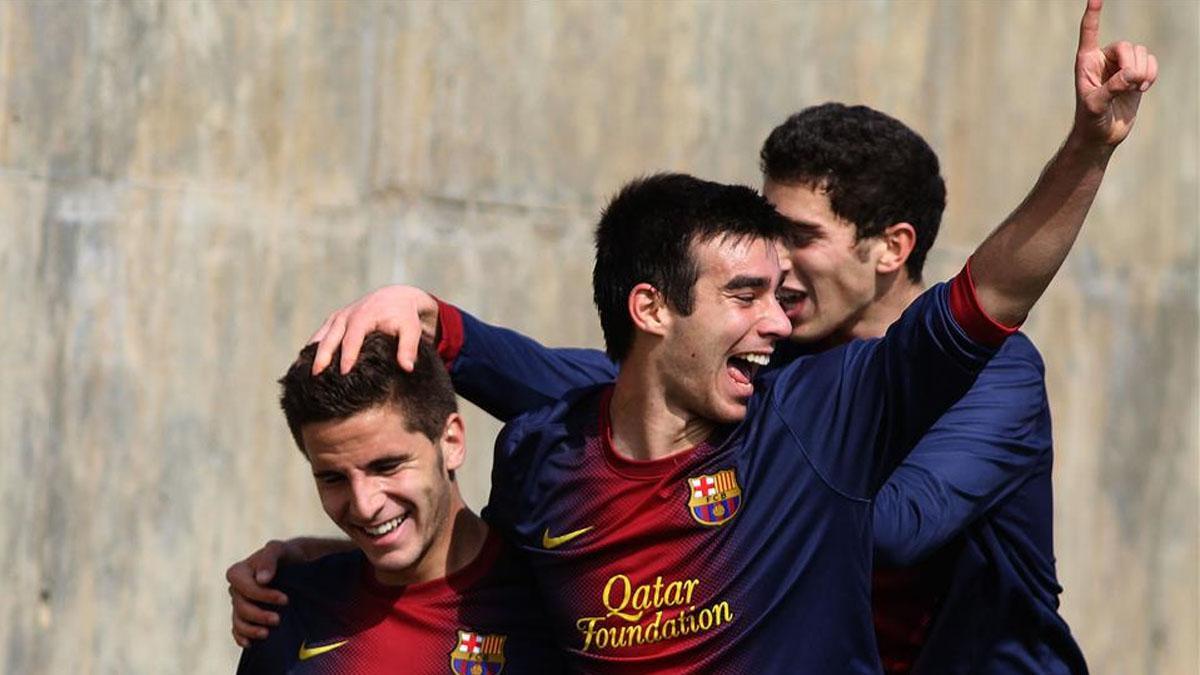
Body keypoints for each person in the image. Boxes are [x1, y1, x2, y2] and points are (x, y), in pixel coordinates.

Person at [229, 1, 1155, 671]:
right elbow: (566, 419)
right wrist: (350, 552)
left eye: (792, 254)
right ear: (652, 309)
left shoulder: (819, 419)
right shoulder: (548, 453)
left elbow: (986, 311)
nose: (777, 303)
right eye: (747, 287)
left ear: (891, 248)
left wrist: (1088, 150)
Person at [235, 335, 562, 674]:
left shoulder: (559, 602)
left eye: (386, 467)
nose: (364, 505)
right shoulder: (285, 612)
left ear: (451, 442)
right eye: (333, 478)